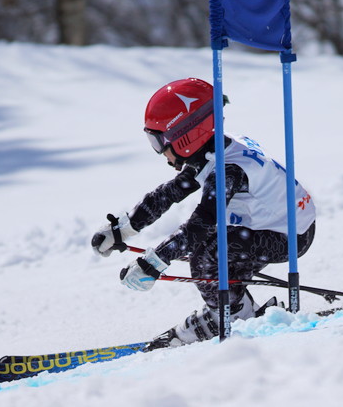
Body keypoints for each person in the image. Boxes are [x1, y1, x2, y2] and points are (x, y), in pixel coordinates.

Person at [91, 77, 316, 349]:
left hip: (290, 237)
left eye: (158, 141)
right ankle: (238, 307)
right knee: (211, 249)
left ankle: (234, 317)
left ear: (186, 135)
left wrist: (154, 262)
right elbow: (170, 192)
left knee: (206, 256)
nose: (161, 152)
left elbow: (201, 225)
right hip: (276, 225)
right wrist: (123, 229)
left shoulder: (227, 170)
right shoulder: (214, 150)